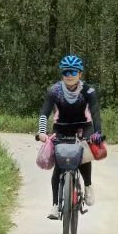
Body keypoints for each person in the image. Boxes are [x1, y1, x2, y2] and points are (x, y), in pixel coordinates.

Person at [38, 54, 104, 219]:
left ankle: (88, 186)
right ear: (62, 74)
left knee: (83, 154)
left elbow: (95, 113)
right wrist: (42, 132)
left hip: (84, 127)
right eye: (66, 72)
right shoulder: (54, 91)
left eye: (73, 72)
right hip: (61, 128)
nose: (69, 76)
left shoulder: (88, 91)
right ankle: (55, 205)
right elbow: (44, 113)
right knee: (59, 166)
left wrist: (97, 133)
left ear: (80, 74)